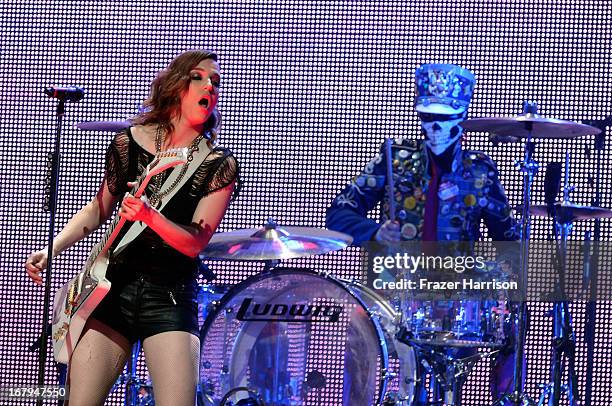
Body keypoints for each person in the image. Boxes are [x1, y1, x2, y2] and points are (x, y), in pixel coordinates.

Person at [25, 49, 238, 406]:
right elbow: (98, 209)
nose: (210, 86)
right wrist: (52, 249)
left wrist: (150, 216)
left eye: (216, 82)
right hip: (113, 291)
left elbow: (195, 242)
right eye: (199, 77)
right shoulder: (129, 142)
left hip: (168, 297)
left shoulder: (218, 164)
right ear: (175, 86)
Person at [326, 64, 519, 404]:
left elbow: (508, 238)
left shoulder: (479, 170)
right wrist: (375, 232)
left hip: (453, 293)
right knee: (359, 326)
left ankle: (503, 399)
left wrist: (499, 277)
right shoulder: (395, 159)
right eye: (427, 117)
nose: (435, 127)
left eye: (443, 119)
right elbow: (339, 213)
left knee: (514, 316)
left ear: (461, 117)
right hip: (394, 291)